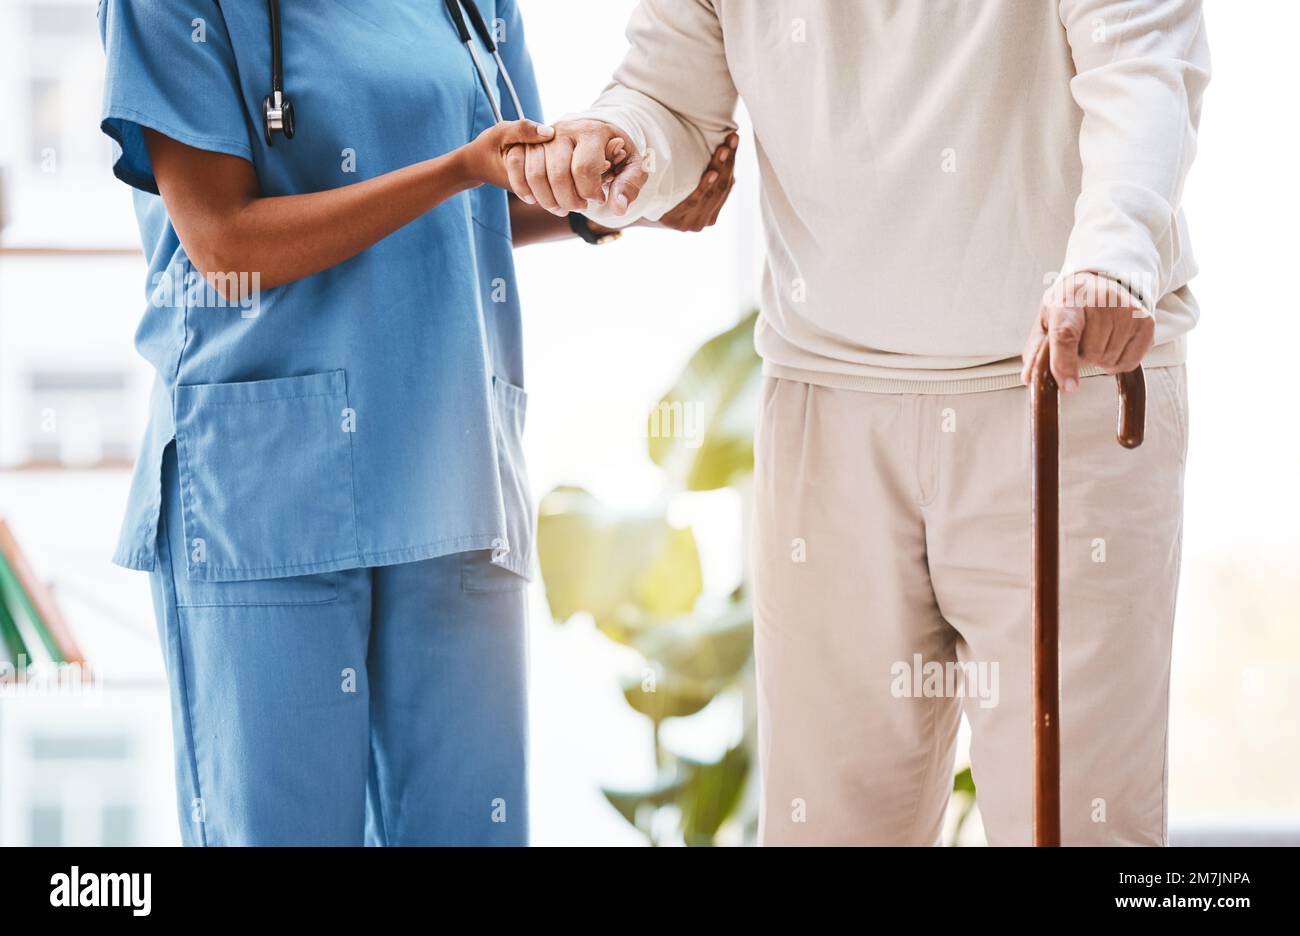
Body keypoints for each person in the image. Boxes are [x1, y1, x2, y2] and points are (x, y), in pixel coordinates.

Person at [512, 0, 1209, 845]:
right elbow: (668, 97)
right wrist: (623, 141)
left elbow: (1141, 68)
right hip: (828, 397)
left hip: (1065, 381)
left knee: (1078, 826)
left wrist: (1113, 257)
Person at [97, 0, 736, 846]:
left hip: (450, 460)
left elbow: (505, 184)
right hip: (265, 491)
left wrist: (624, 204)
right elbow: (222, 247)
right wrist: (455, 171)